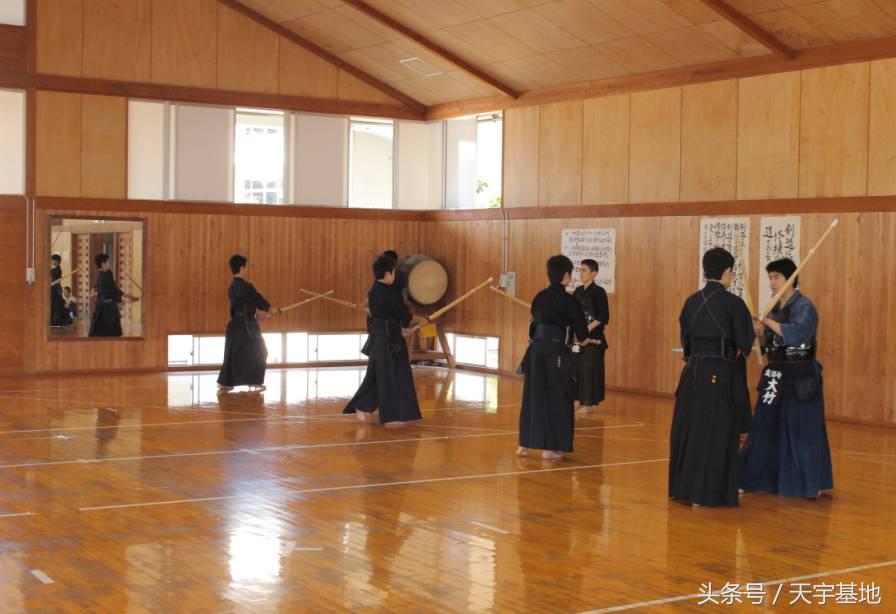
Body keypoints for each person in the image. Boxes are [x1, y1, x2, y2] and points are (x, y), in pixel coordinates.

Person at [739, 258, 833, 499]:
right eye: (770, 277)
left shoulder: (805, 307)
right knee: (764, 425)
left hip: (800, 375)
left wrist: (766, 321)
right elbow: (767, 344)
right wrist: (760, 334)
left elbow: (797, 334)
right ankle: (759, 479)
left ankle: (808, 482)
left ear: (791, 279)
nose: (772, 282)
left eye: (777, 277)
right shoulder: (774, 308)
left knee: (801, 429)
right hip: (776, 374)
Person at [669, 247, 755, 507]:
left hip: (692, 373)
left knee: (691, 430)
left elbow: (685, 340)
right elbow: (744, 343)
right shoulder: (734, 304)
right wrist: (754, 329)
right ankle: (708, 492)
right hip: (719, 374)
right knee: (716, 433)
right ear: (728, 272)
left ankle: (685, 488)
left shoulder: (691, 301)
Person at [517, 255, 588, 460]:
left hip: (535, 350)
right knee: (558, 397)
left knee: (534, 395)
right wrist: (580, 343)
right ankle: (551, 448)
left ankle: (526, 443)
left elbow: (533, 324)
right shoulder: (569, 300)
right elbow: (581, 333)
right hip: (557, 352)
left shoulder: (539, 297)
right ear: (566, 275)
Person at [343, 254, 425, 426]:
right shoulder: (390, 294)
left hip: (383, 338)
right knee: (394, 375)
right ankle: (393, 416)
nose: (393, 275)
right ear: (388, 274)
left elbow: (388, 317)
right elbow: (405, 315)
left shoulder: (373, 291)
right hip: (388, 342)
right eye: (393, 272)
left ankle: (363, 406)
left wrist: (402, 329)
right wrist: (422, 320)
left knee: (378, 375)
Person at [217, 255, 279, 392]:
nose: (246, 269)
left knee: (233, 353)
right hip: (246, 327)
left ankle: (225, 383)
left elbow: (241, 308)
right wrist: (270, 308)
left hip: (236, 324)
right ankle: (254, 381)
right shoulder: (245, 286)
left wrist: (255, 315)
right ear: (241, 268)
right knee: (261, 351)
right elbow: (256, 299)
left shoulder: (232, 287)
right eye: (245, 266)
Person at [573, 259, 609, 413]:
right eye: (580, 270)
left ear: (594, 273)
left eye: (584, 270)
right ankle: (575, 400)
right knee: (574, 368)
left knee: (589, 370)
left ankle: (588, 404)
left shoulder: (599, 292)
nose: (581, 273)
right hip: (577, 339)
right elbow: (572, 313)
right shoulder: (577, 291)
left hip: (594, 339)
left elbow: (603, 317)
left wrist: (585, 329)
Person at [88, 254, 136, 337]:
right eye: (108, 262)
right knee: (108, 332)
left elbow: (111, 288)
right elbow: (111, 291)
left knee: (99, 332)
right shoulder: (105, 274)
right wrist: (120, 300)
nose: (109, 264)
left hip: (103, 306)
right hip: (107, 309)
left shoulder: (105, 273)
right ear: (103, 264)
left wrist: (125, 297)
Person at [50, 254, 72, 327]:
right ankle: (54, 321)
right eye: (52, 260)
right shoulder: (54, 269)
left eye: (53, 260)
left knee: (57, 305)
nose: (52, 261)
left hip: (56, 289)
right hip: (53, 288)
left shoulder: (57, 269)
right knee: (54, 305)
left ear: (57, 261)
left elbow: (51, 273)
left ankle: (56, 321)